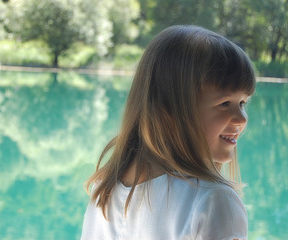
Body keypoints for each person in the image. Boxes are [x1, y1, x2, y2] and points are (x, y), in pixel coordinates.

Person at [81, 25, 256, 240]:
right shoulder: (213, 200)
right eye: (225, 103)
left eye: (243, 103)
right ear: (170, 110)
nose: (241, 119)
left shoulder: (104, 191)